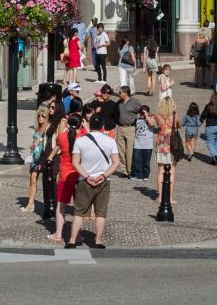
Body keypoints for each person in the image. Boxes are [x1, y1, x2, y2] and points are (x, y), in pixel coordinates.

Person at [65, 112, 116, 249]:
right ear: (102, 126)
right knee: (101, 213)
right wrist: (103, 175)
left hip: (85, 180)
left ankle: (71, 240)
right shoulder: (110, 141)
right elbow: (116, 162)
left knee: (79, 212)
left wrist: (87, 176)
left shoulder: (80, 141)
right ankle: (98, 241)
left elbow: (75, 163)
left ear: (89, 125)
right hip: (103, 181)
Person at [45, 112, 82, 243]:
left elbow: (58, 143)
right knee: (79, 207)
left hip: (65, 175)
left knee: (61, 206)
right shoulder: (82, 137)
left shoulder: (61, 137)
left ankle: (58, 234)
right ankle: (77, 235)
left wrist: (64, 125)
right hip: (79, 174)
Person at [22, 109, 51, 212]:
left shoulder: (49, 128)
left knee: (48, 181)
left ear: (47, 117)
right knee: (33, 179)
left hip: (44, 157)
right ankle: (30, 203)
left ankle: (49, 204)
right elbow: (35, 141)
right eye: (39, 116)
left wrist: (40, 140)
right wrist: (32, 145)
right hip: (35, 157)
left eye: (43, 116)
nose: (40, 118)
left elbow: (50, 141)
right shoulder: (37, 129)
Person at [116, 86, 146, 175]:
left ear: (125, 93)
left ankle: (130, 170)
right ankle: (124, 171)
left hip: (130, 129)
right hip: (120, 128)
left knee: (129, 151)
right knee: (121, 151)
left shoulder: (135, 102)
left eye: (120, 92)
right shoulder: (119, 102)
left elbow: (142, 112)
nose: (119, 94)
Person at [132, 104, 157, 181]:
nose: (142, 114)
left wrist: (147, 116)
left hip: (147, 144)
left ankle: (145, 175)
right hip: (138, 143)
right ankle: (137, 174)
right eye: (141, 113)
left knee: (146, 161)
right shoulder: (138, 120)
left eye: (143, 113)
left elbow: (152, 124)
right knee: (137, 160)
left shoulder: (151, 119)